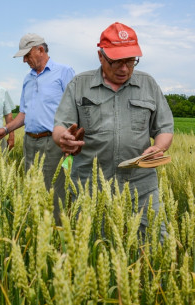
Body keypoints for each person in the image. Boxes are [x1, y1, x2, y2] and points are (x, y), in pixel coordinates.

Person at [52, 22, 174, 239]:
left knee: (156, 244)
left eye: (130, 61)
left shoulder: (148, 84)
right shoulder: (79, 84)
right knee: (90, 248)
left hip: (141, 183)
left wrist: (159, 146)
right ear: (101, 56)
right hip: (89, 185)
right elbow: (60, 125)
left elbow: (165, 127)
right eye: (117, 61)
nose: (124, 68)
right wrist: (64, 138)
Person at [0, 33, 75, 222]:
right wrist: (5, 130)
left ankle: (55, 234)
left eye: (27, 56)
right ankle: (36, 232)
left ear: (40, 50)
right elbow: (24, 114)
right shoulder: (28, 79)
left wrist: (70, 144)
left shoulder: (64, 72)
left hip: (53, 142)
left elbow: (75, 108)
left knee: (54, 193)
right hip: (29, 142)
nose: (25, 61)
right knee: (32, 190)